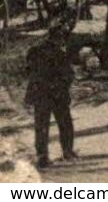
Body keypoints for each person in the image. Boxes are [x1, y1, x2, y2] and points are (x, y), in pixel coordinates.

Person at [25, 25, 75, 168]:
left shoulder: (34, 51)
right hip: (57, 94)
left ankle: (42, 156)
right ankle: (67, 151)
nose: (63, 41)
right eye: (62, 38)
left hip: (40, 94)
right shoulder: (60, 54)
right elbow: (68, 74)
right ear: (58, 38)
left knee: (41, 125)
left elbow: (29, 71)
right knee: (65, 123)